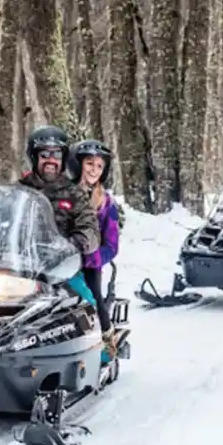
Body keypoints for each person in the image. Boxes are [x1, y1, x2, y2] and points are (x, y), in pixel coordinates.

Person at [18, 125, 117, 359]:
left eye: (56, 155)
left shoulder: (74, 194)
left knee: (87, 301)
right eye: (44, 154)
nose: (50, 160)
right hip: (21, 265)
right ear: (34, 157)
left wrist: (70, 245)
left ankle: (102, 350)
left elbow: (90, 230)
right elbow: (2, 219)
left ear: (64, 159)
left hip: (62, 266)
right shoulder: (21, 190)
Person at [69, 139, 121, 361]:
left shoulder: (106, 203)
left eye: (99, 166)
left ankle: (106, 342)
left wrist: (96, 257)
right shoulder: (64, 193)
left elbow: (112, 243)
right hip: (59, 259)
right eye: (89, 163)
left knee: (92, 299)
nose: (94, 170)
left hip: (89, 263)